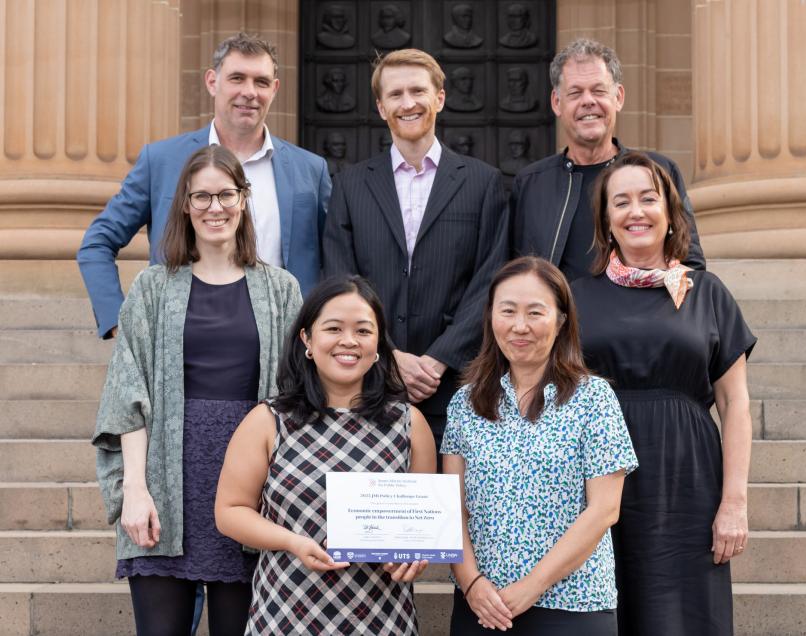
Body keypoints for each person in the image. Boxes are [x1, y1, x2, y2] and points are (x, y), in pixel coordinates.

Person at [92, 145, 303, 636]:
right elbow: (129, 391)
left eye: (226, 194)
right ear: (185, 205)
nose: (215, 207)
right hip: (167, 479)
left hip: (251, 485)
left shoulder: (282, 289)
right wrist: (136, 490)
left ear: (244, 198)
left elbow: (298, 394)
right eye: (201, 196)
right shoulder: (152, 288)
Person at [571, 152, 756, 635]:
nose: (637, 211)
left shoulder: (708, 292)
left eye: (649, 199)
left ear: (671, 213)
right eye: (621, 202)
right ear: (606, 220)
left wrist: (734, 502)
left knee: (683, 614)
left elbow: (735, 403)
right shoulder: (575, 298)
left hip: (688, 479)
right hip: (597, 479)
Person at [215, 275, 436, 634]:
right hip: (286, 616)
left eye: (363, 331)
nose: (348, 341)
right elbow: (229, 512)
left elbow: (423, 529)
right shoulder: (268, 420)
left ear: (379, 342)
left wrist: (414, 555)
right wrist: (293, 542)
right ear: (307, 338)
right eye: (333, 328)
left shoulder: (409, 424)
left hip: (381, 620)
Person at [78, 32, 330, 339]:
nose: (249, 92)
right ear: (212, 81)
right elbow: (97, 243)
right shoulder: (161, 161)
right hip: (184, 346)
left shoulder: (310, 169)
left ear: (274, 89)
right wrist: (121, 325)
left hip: (284, 348)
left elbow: (338, 258)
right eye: (237, 78)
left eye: (261, 82)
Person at [323, 49, 509, 452]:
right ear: (380, 106)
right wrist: (389, 356)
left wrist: (439, 359)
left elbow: (490, 282)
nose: (407, 103)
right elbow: (341, 281)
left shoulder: (483, 183)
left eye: (417, 91)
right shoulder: (350, 186)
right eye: (395, 94)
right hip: (368, 388)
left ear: (439, 98)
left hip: (457, 389)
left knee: (455, 511)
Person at [442, 256, 638, 635]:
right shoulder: (465, 404)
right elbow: (453, 511)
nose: (520, 326)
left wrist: (530, 589)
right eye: (508, 311)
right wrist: (471, 583)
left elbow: (604, 510)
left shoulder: (594, 399)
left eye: (535, 312)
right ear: (491, 317)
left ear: (561, 320)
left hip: (573, 606)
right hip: (482, 607)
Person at [510, 38, 705, 282]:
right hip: (559, 320)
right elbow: (514, 273)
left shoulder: (659, 171)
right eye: (575, 92)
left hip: (640, 318)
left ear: (619, 97)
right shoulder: (530, 184)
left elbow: (690, 262)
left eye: (599, 90)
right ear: (557, 103)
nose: (588, 101)